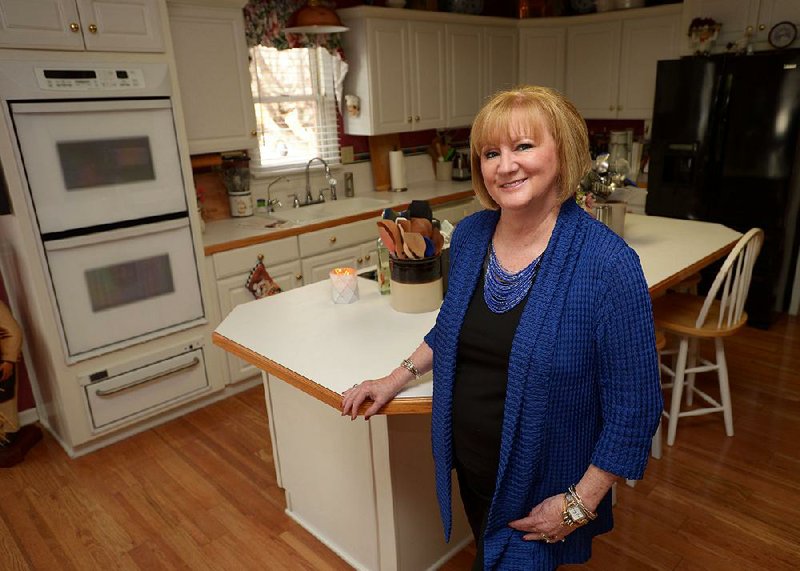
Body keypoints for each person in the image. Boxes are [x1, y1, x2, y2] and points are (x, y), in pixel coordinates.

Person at [341, 86, 662, 570]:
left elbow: (635, 409)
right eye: (491, 152)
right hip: (473, 465)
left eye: (524, 147)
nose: (504, 165)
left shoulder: (607, 264)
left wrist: (578, 504)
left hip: (546, 482)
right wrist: (394, 378)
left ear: (564, 150)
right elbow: (450, 329)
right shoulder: (470, 236)